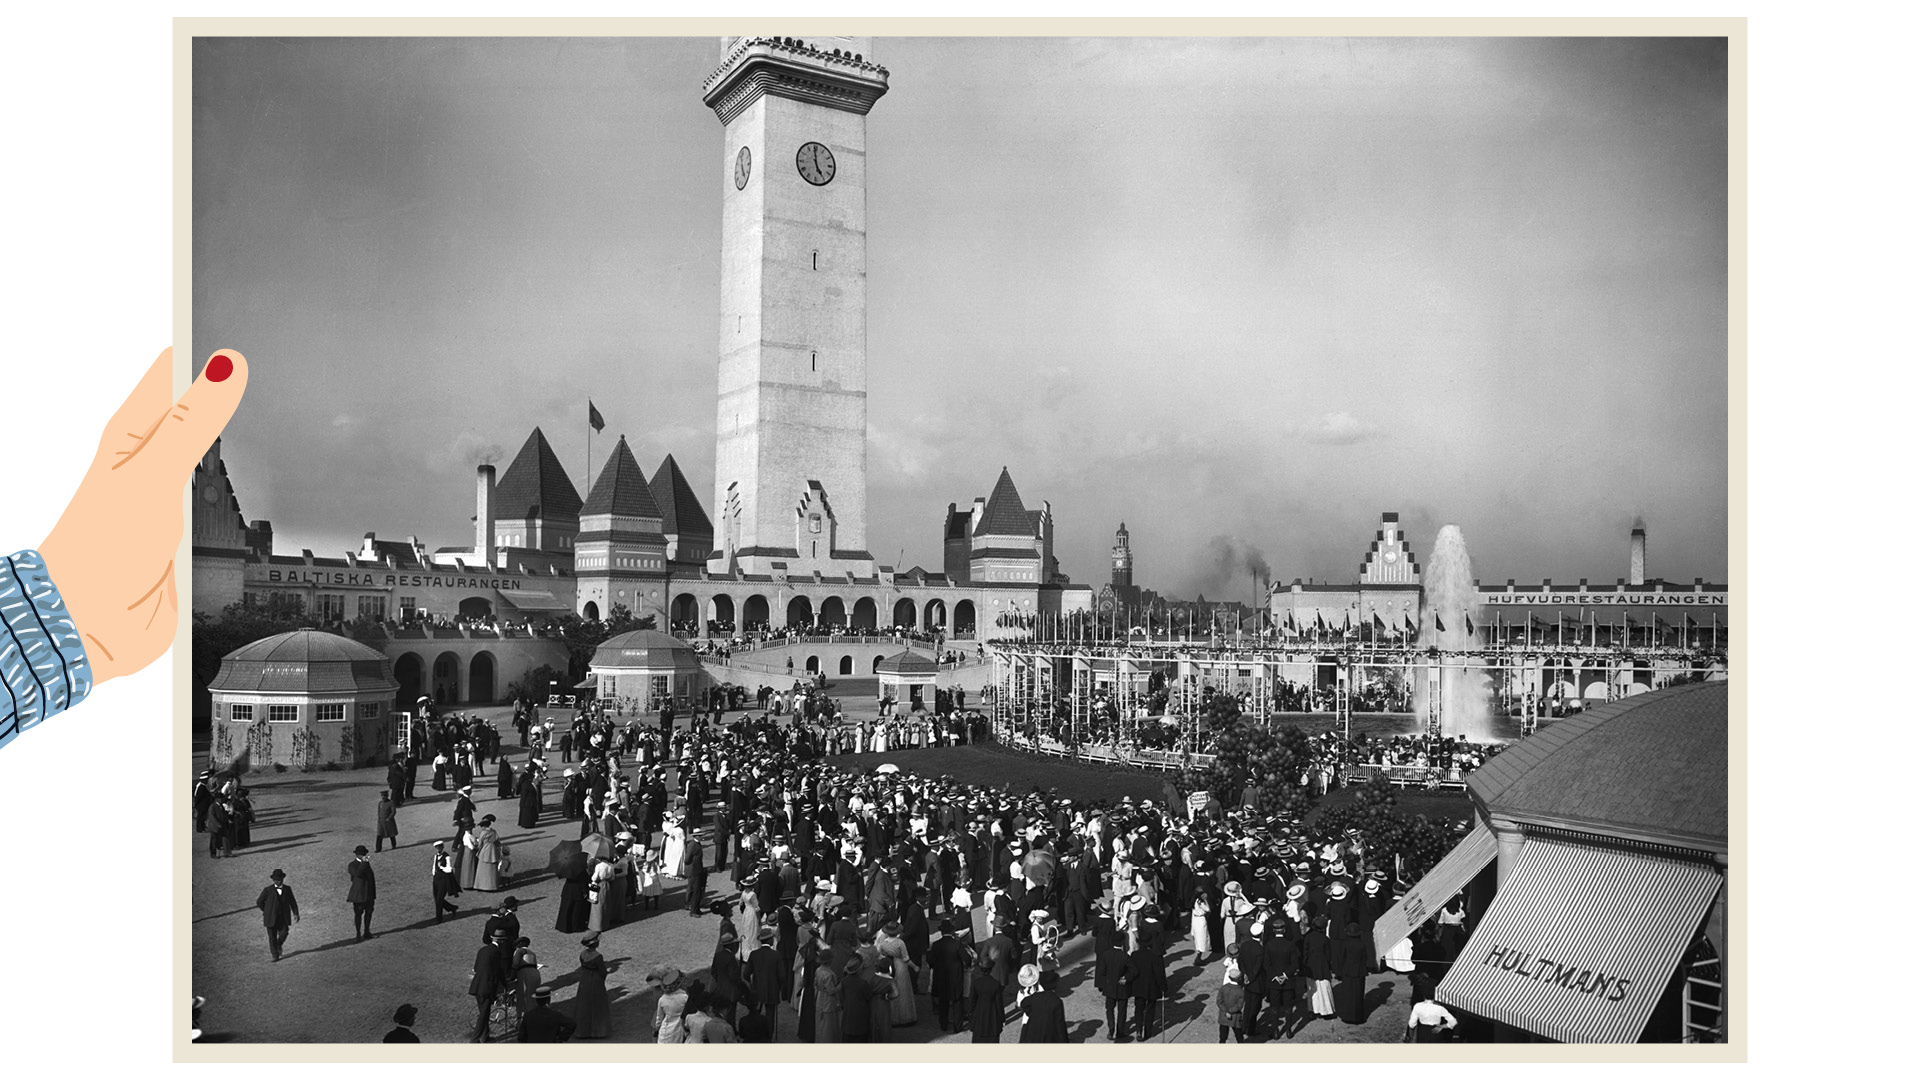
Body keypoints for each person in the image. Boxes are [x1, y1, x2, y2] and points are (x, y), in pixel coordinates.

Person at [469, 927, 513, 1043]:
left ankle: (485, 1036)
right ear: (501, 941)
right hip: (487, 987)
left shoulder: (482, 950)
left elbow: (476, 967)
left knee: (484, 1012)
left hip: (477, 985)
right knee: (483, 1015)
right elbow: (499, 971)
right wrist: (505, 985)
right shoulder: (497, 953)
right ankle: (474, 1039)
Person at [572, 933, 612, 1039]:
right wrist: (601, 979)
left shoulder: (582, 954)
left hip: (584, 979)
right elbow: (602, 971)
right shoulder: (598, 956)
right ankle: (598, 1031)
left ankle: (583, 1031)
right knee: (597, 1004)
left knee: (584, 1004)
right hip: (595, 979)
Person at [256, 869, 300, 962]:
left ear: (283, 879)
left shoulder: (287, 889)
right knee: (272, 936)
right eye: (276, 880)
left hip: (282, 917)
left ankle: (278, 945)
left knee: (284, 932)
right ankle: (275, 955)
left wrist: (295, 913)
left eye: (280, 879)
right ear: (273, 880)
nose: (278, 881)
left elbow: (292, 902)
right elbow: (259, 902)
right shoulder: (267, 890)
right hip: (270, 918)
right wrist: (267, 911)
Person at [1017, 964, 1069, 1043]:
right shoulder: (1056, 1001)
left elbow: (1022, 1005)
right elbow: (1060, 1024)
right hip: (1049, 1031)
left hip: (1031, 1026)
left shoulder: (1030, 997)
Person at [1332, 921, 1370, 1024]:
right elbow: (1365, 958)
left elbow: (1341, 958)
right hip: (1359, 971)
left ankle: (1347, 1016)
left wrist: (1339, 971)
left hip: (1348, 971)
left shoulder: (1345, 944)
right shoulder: (1362, 944)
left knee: (1348, 994)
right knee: (1358, 995)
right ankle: (1358, 1016)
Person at [966, 953, 1004, 1043]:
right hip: (992, 1016)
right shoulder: (995, 984)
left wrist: (971, 1015)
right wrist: (1002, 1019)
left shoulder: (976, 983)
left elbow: (972, 1001)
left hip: (979, 1015)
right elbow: (999, 1004)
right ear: (991, 969)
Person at [649, 966, 689, 1044]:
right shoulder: (684, 997)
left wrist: (656, 1031)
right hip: (678, 1031)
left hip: (665, 1033)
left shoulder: (662, 999)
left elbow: (658, 1022)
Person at [346, 845, 377, 941]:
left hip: (368, 894)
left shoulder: (366, 864)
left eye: (365, 854)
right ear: (357, 855)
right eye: (362, 854)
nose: (364, 856)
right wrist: (364, 863)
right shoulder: (352, 865)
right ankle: (358, 934)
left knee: (369, 912)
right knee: (358, 914)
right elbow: (358, 874)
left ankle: (367, 931)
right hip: (359, 895)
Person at [469, 815, 504, 892]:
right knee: (492, 870)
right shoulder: (494, 832)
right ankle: (492, 886)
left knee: (482, 869)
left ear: (484, 826)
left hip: (485, 850)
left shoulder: (483, 833)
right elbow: (498, 842)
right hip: (493, 850)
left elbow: (480, 843)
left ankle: (481, 885)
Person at [1216, 957, 1247, 1043]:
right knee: (1239, 1036)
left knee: (1222, 1036)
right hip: (1235, 1017)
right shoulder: (1240, 991)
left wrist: (1226, 1011)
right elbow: (1239, 1005)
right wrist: (1230, 1011)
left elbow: (1219, 1001)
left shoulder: (1223, 988)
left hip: (1223, 1015)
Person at [431, 841, 461, 922]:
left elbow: (449, 869)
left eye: (440, 847)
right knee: (436, 898)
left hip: (444, 879)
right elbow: (434, 865)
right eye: (437, 847)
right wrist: (434, 873)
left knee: (439, 899)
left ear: (442, 847)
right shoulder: (436, 856)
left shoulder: (447, 857)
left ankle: (438, 919)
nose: (438, 849)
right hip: (436, 879)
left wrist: (442, 868)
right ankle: (452, 908)